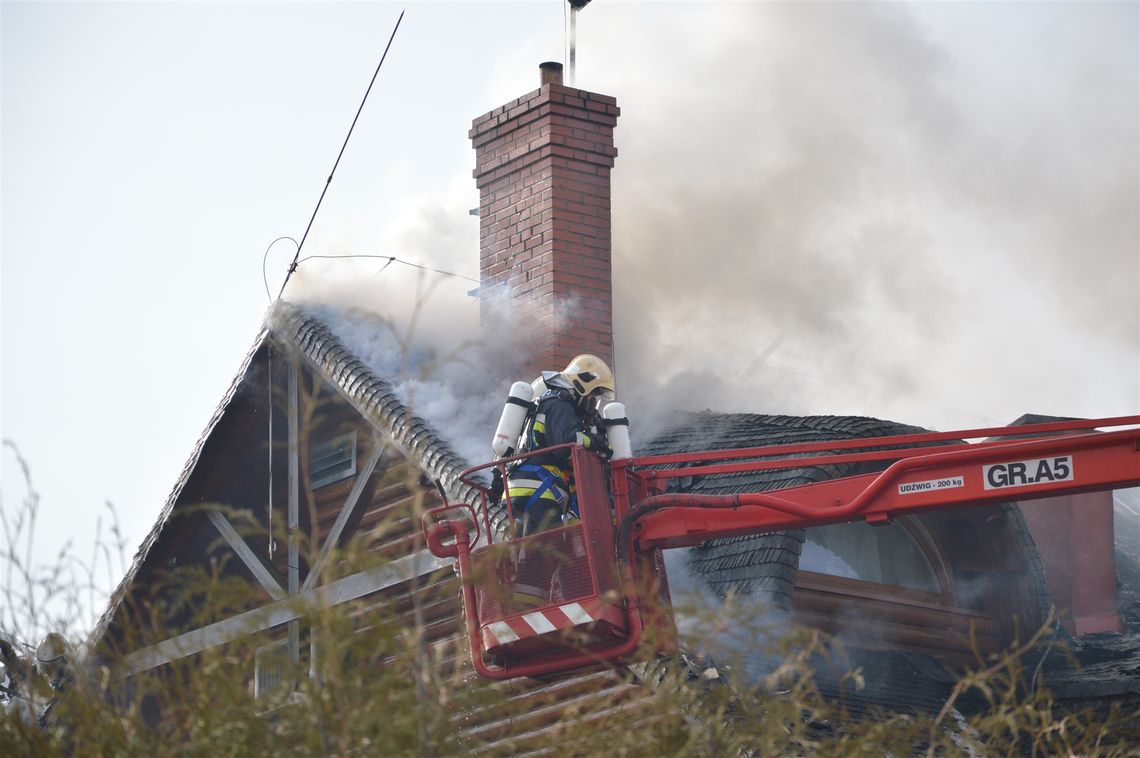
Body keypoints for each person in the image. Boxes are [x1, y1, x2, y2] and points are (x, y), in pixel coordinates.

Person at [506, 354, 614, 607]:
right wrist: (596, 442)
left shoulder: (551, 402)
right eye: (593, 395)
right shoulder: (560, 403)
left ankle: (529, 598)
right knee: (545, 544)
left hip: (528, 486)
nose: (594, 402)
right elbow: (564, 445)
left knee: (535, 544)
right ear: (581, 384)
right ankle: (526, 603)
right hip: (538, 488)